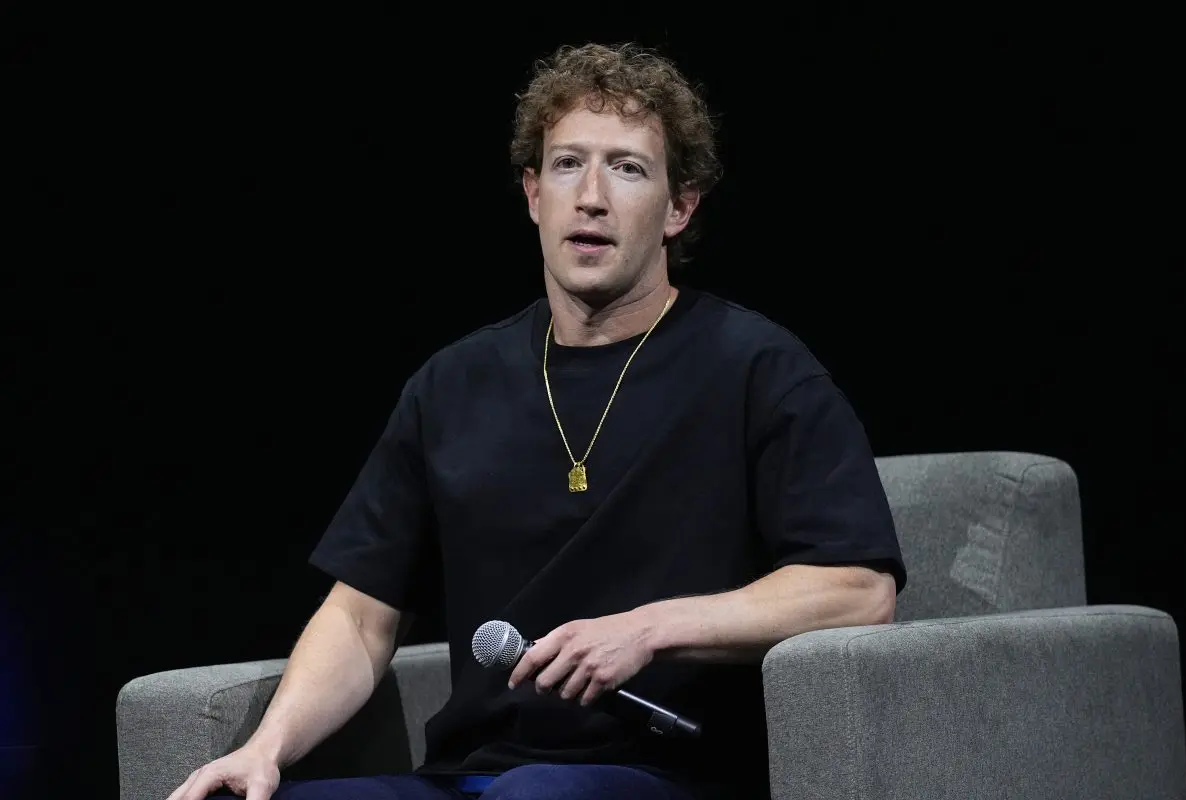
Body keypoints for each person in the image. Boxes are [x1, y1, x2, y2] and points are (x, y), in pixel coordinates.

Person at [168, 41, 906, 800]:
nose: (591, 196)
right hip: (474, 777)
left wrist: (648, 629)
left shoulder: (758, 369)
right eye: (567, 164)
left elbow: (858, 590)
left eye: (627, 168)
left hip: (666, 773)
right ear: (532, 194)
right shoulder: (452, 385)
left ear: (679, 208)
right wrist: (266, 749)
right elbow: (360, 618)